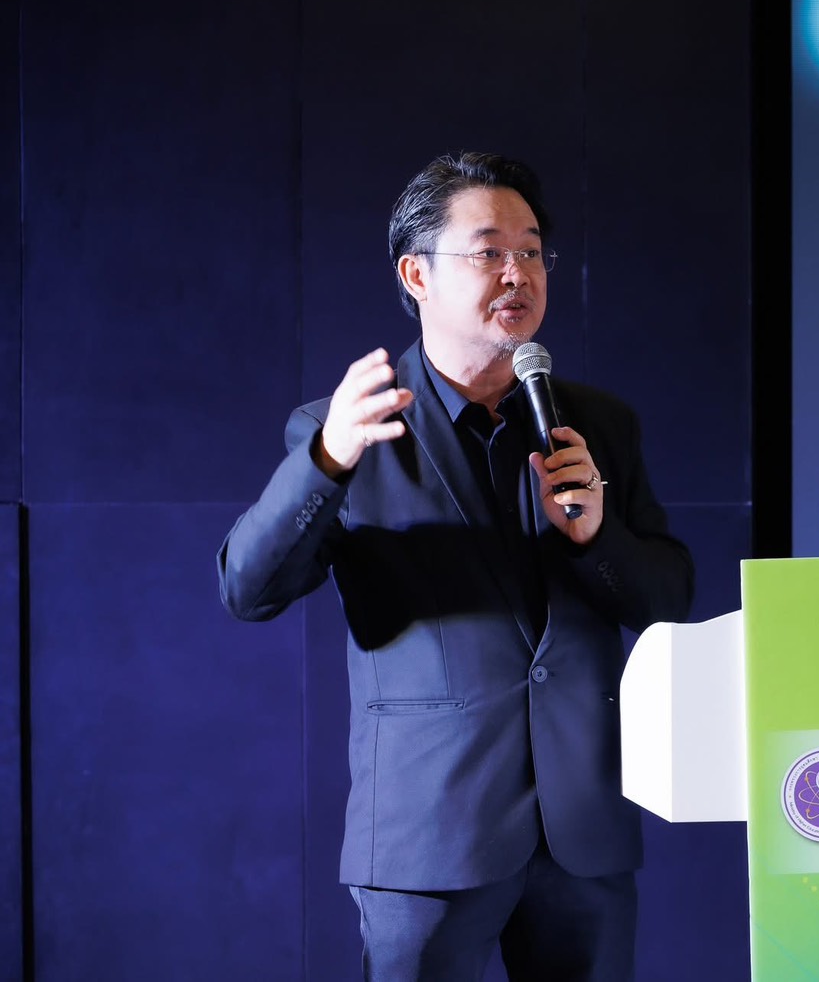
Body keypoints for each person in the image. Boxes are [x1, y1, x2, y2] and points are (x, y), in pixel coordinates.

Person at [217, 151, 694, 981]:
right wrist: (326, 462)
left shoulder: (599, 424)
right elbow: (248, 591)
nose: (518, 273)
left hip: (583, 834)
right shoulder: (351, 430)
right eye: (489, 251)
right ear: (417, 274)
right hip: (429, 836)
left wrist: (597, 539)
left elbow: (668, 600)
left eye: (533, 251)